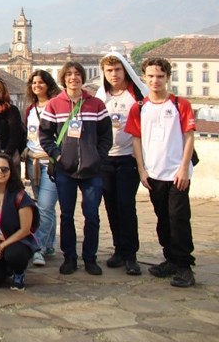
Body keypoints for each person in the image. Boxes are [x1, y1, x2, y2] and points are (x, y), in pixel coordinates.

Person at [126, 58, 197, 288]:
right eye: (151, 76)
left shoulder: (179, 104)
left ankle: (184, 266)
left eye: (160, 76)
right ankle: (171, 259)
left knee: (179, 219)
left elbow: (188, 136)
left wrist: (184, 167)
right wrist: (142, 170)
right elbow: (136, 139)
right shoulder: (139, 107)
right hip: (154, 173)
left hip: (176, 173)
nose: (155, 80)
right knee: (163, 219)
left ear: (167, 77)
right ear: (144, 77)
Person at [38, 61, 112, 276]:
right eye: (69, 74)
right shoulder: (54, 105)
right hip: (65, 169)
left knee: (92, 215)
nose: (73, 78)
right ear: (63, 78)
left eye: (77, 74)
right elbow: (45, 135)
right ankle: (70, 257)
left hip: (92, 170)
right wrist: (58, 155)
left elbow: (106, 135)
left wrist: (98, 156)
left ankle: (90, 258)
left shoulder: (96, 104)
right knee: (67, 215)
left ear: (83, 78)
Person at [95, 51, 147, 276]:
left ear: (125, 70)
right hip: (106, 159)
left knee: (126, 205)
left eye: (117, 70)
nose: (114, 74)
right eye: (109, 71)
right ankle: (119, 249)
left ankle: (131, 253)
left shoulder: (137, 96)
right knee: (111, 206)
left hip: (129, 158)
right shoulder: (101, 97)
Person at [0, 154, 39, 291]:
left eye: (4, 169)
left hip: (16, 242)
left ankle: (18, 272)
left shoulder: (20, 196)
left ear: (11, 172)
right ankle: (5, 268)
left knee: (14, 255)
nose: (0, 172)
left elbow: (25, 229)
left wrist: (2, 246)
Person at [23, 69, 62, 266]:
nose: (37, 85)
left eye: (41, 82)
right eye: (34, 83)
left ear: (48, 84)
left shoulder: (56, 106)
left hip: (51, 162)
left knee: (45, 207)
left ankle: (37, 247)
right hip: (33, 161)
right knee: (43, 206)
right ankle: (50, 244)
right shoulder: (31, 109)